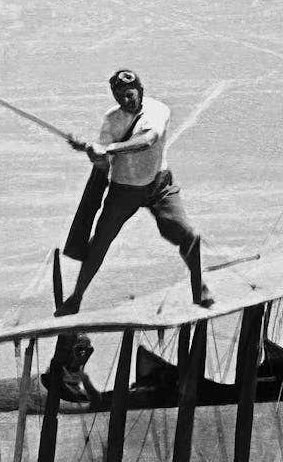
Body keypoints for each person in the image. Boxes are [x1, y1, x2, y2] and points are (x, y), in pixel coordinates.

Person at [56, 69, 213, 315]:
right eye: (119, 97)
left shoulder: (157, 110)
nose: (125, 101)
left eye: (129, 95)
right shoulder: (111, 120)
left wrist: (107, 149)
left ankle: (199, 289)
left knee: (188, 235)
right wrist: (93, 153)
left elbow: (147, 140)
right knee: (99, 243)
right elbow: (103, 163)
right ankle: (76, 298)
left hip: (159, 185)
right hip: (124, 190)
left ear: (140, 91)